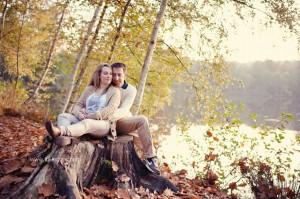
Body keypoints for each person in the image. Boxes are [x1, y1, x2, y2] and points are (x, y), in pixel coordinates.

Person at [45, 63, 120, 139]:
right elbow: (78, 104)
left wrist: (91, 116)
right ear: (99, 75)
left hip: (103, 125)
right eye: (105, 73)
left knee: (87, 122)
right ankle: (65, 138)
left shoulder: (115, 91)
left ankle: (59, 131)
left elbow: (110, 109)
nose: (109, 76)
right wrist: (79, 114)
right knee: (63, 116)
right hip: (84, 118)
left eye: (110, 74)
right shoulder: (90, 89)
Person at [110, 62, 160, 175]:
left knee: (141, 125)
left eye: (119, 74)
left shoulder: (131, 90)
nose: (116, 78)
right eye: (114, 74)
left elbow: (123, 110)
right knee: (140, 129)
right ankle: (151, 159)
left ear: (124, 74)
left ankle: (151, 160)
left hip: (120, 120)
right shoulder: (107, 85)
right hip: (108, 123)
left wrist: (107, 116)